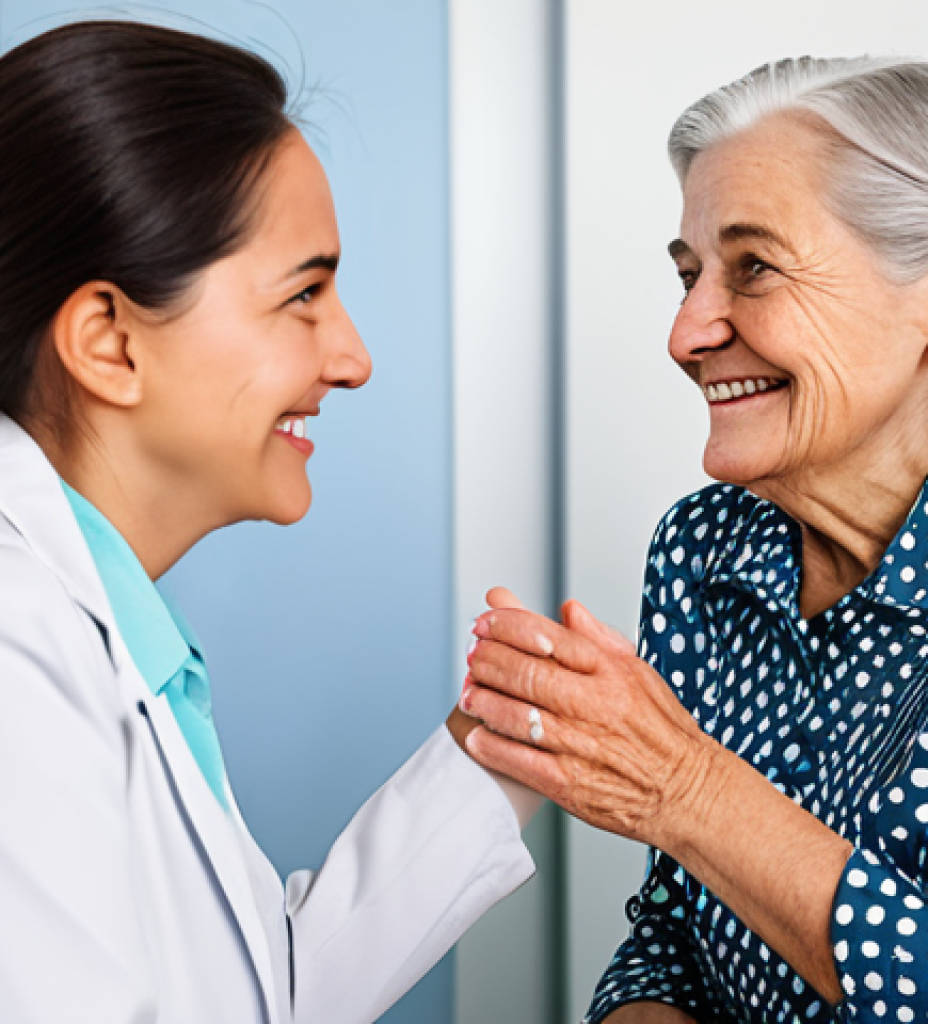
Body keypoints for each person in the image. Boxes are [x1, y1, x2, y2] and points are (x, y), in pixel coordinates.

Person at [461, 56, 928, 1023]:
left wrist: (682, 785)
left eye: (753, 266)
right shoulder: (702, 549)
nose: (685, 332)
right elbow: (678, 929)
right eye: (688, 276)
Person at [0, 20, 537, 1024]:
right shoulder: (17, 649)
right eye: (304, 294)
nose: (352, 356)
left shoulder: (107, 638)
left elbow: (258, 988)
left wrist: (494, 748)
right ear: (110, 343)